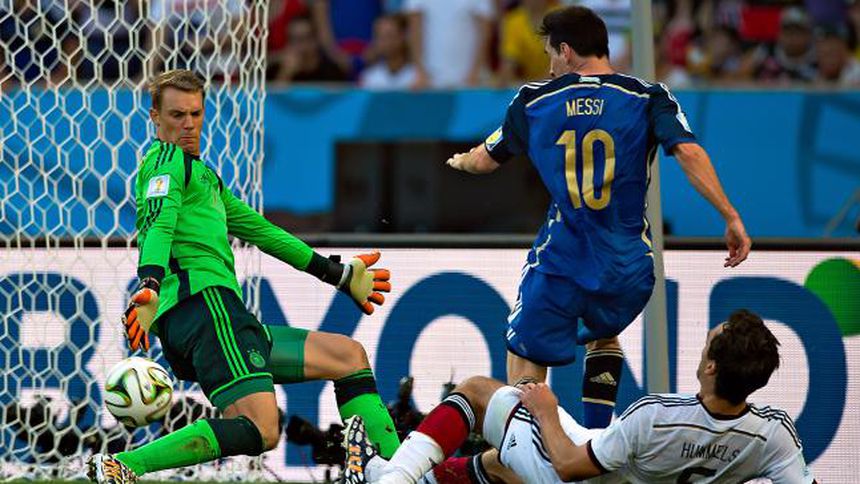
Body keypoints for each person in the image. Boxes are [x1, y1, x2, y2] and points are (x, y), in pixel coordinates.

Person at [420, 5, 751, 482]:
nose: (550, 65)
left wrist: (460, 161)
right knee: (604, 333)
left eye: (551, 54)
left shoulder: (534, 100)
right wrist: (730, 215)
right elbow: (688, 151)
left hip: (562, 261)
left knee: (524, 370)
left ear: (566, 50)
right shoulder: (647, 95)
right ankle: (595, 441)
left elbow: (487, 158)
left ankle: (536, 465)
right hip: (627, 266)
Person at [87, 70, 399, 484]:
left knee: (347, 357)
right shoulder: (167, 162)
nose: (188, 124)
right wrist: (150, 283)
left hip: (219, 316)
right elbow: (160, 225)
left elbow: (261, 231)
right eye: (177, 115)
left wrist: (336, 274)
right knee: (263, 428)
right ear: (155, 117)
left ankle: (396, 473)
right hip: (205, 307)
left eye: (196, 113)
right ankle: (124, 466)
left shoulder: (203, 177)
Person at [344, 310, 816, 484]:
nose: (705, 340)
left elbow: (569, 465)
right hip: (605, 461)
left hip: (577, 474)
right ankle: (396, 474)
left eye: (710, 339)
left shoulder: (657, 416)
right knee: (500, 464)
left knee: (479, 393)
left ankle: (389, 480)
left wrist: (546, 411)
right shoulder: (773, 434)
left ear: (711, 367)